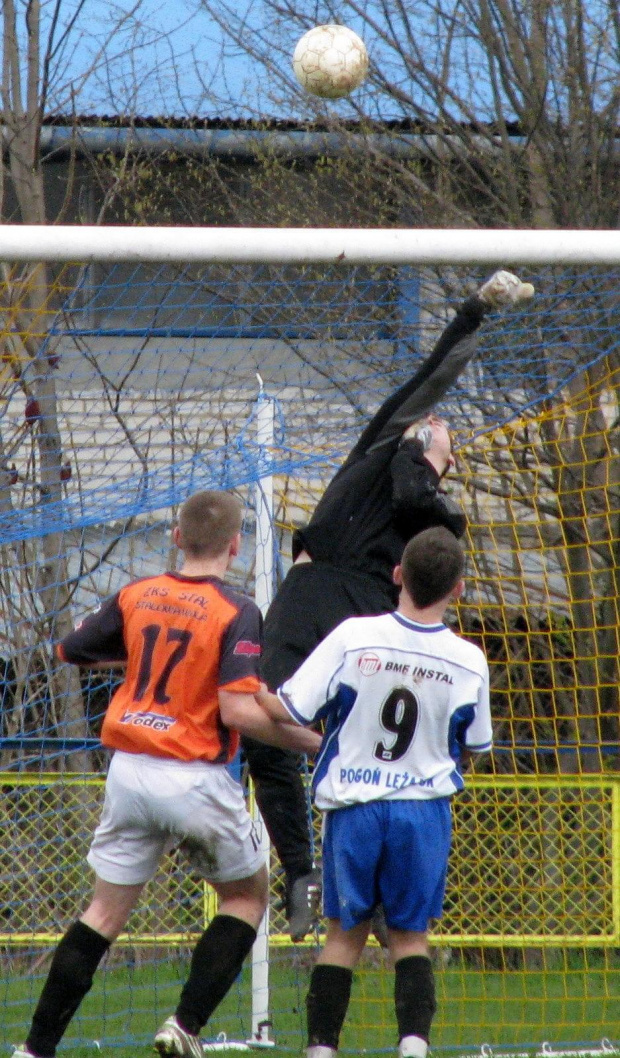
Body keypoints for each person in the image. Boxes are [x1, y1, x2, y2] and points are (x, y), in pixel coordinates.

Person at [244, 270, 533, 941]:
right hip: (312, 590)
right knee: (261, 719)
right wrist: (473, 313)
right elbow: (428, 380)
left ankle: (370, 883)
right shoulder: (380, 452)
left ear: (443, 464)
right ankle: (300, 872)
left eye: (442, 435)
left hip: (365, 616)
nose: (433, 423)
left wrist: (427, 465)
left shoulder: (433, 516)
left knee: (374, 742)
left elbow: (415, 507)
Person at [14, 490, 321, 1058]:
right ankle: (184, 1025)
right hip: (193, 775)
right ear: (235, 545)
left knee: (102, 913)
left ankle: (35, 1049)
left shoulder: (137, 594)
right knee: (246, 898)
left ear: (177, 537)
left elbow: (72, 651)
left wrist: (129, 653)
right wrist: (309, 740)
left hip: (129, 771)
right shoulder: (237, 609)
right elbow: (236, 711)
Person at [256, 525, 493, 1058]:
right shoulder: (469, 659)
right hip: (423, 812)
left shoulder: (353, 636)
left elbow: (289, 708)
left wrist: (255, 692)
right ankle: (413, 1047)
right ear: (458, 590)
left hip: (356, 807)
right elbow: (474, 745)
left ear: (396, 576)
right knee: (410, 939)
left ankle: (321, 1048)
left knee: (344, 936)